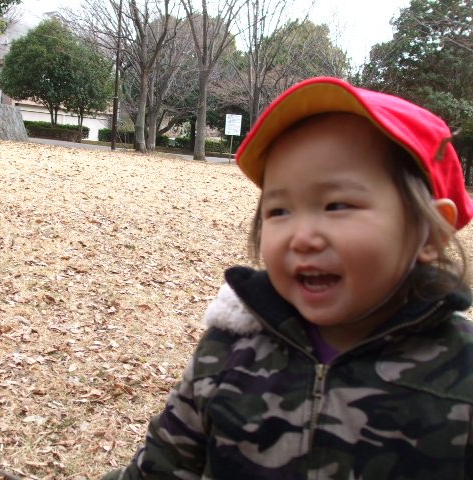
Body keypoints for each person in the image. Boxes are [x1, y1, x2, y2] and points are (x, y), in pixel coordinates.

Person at [101, 77, 473, 479]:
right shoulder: (229, 350)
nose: (301, 237)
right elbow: (161, 468)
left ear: (430, 233)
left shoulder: (461, 377)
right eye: (279, 211)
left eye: (337, 205)